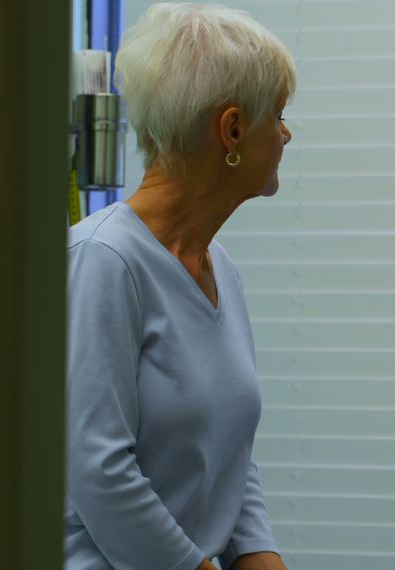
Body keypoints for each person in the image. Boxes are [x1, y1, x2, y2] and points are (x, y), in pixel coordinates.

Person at [65, 4, 295, 569]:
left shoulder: (219, 268)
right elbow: (98, 470)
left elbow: (228, 455)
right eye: (279, 115)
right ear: (233, 129)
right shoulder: (101, 261)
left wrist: (260, 555)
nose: (287, 134)